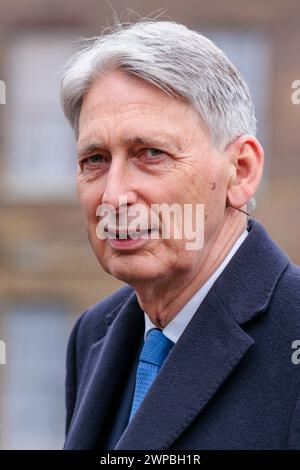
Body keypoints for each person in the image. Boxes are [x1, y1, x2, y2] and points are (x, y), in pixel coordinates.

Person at [59, 20, 300, 450]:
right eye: (94, 159)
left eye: (151, 154)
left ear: (240, 171)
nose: (113, 195)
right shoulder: (93, 333)